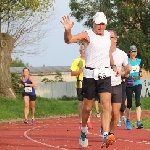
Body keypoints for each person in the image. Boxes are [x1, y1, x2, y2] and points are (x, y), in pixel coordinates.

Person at [61, 12, 119, 148]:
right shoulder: (87, 35)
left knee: (106, 105)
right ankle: (83, 130)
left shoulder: (108, 36)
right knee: (87, 108)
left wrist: (113, 65)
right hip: (90, 75)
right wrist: (68, 30)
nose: (100, 26)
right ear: (93, 23)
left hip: (105, 73)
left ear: (106, 24)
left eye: (103, 24)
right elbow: (68, 40)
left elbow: (108, 52)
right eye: (98, 23)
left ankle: (105, 134)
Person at [100, 30, 131, 145]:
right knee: (106, 109)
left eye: (111, 37)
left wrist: (127, 69)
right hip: (104, 84)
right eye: (107, 37)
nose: (109, 39)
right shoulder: (101, 54)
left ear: (115, 39)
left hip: (117, 84)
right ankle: (105, 132)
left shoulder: (121, 54)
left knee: (115, 112)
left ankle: (111, 134)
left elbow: (126, 67)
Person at [70, 45, 93, 130]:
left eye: (85, 49)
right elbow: (72, 73)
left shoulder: (90, 60)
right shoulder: (77, 60)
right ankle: (81, 120)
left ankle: (88, 121)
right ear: (80, 51)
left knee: (89, 102)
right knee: (81, 103)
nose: (84, 51)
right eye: (82, 49)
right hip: (80, 83)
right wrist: (81, 70)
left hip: (90, 82)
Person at [125, 45, 143, 130]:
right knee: (129, 103)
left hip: (137, 83)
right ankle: (128, 120)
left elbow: (140, 70)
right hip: (129, 83)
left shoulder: (139, 61)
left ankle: (139, 122)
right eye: (132, 51)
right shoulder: (127, 61)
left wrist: (140, 73)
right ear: (130, 52)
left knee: (138, 102)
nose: (134, 53)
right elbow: (124, 71)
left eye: (135, 51)